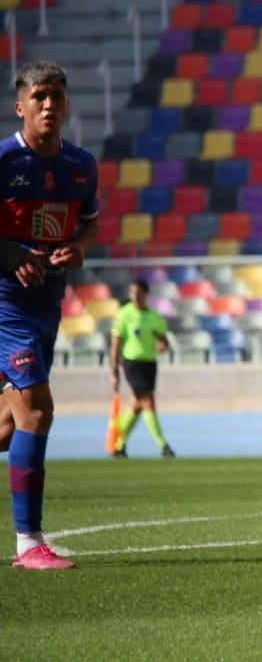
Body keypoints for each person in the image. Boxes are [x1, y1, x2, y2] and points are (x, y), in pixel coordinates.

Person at [0, 61, 100, 570]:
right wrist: (10, 254)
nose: (48, 105)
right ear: (21, 106)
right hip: (3, 302)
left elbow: (89, 223)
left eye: (56, 96)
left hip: (46, 304)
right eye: (38, 96)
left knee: (8, 426)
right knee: (37, 410)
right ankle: (28, 543)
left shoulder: (81, 165)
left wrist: (78, 250)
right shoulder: (2, 160)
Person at [109, 279, 175, 458]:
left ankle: (118, 444)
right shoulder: (124, 314)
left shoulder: (155, 317)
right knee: (148, 401)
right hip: (132, 363)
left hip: (149, 363)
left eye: (138, 293)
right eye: (132, 293)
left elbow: (163, 340)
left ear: (146, 294)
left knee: (137, 404)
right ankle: (163, 446)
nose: (135, 297)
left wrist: (162, 345)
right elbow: (115, 343)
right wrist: (114, 371)